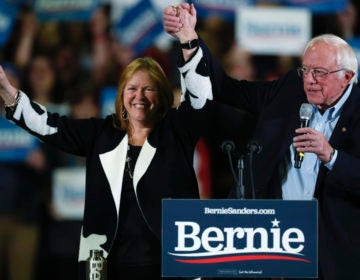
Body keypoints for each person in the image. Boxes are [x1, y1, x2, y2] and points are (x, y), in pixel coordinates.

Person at [163, 3, 360, 280]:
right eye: (306, 70)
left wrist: (331, 156)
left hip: (334, 254)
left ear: (347, 78)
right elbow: (227, 89)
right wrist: (189, 39)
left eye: (320, 73)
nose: (310, 81)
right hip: (276, 245)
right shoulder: (292, 89)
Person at [0, 56, 212, 279]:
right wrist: (9, 93)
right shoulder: (101, 133)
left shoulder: (175, 134)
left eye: (148, 88)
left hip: (169, 261)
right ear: (122, 94)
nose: (138, 96)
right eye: (132, 88)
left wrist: (188, 42)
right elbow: (50, 126)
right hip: (107, 262)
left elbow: (199, 100)